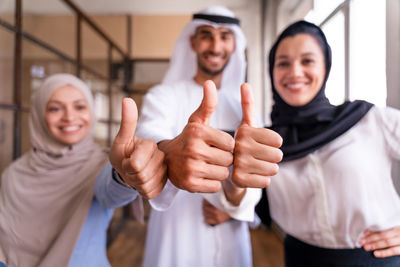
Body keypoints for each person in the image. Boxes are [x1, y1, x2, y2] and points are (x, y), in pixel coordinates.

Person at [135, 6, 282, 267]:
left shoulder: (243, 106)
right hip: (175, 238)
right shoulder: (163, 96)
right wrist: (169, 151)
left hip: (230, 242)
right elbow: (148, 137)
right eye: (206, 35)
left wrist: (234, 206)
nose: (215, 46)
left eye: (225, 36)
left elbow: (254, 181)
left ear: (234, 43)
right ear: (192, 41)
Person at [259, 20, 400, 266]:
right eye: (283, 63)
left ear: (326, 67)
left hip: (376, 259)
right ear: (272, 71)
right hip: (299, 258)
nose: (294, 72)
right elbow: (252, 202)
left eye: (307, 61)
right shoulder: (266, 142)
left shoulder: (371, 120)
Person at [0, 73, 166, 267]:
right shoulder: (14, 173)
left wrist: (123, 174)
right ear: (39, 115)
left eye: (80, 106)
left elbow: (110, 191)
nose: (69, 117)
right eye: (55, 108)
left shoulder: (101, 164)